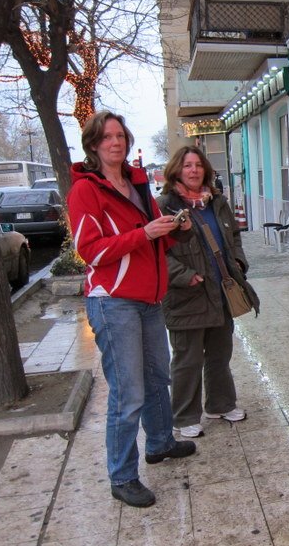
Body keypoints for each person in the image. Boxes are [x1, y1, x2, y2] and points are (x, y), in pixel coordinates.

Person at [67, 111, 197, 508]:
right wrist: (144, 233)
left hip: (149, 299)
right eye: (107, 137)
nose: (115, 142)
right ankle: (122, 476)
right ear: (93, 145)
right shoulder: (86, 190)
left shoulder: (137, 183)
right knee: (128, 393)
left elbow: (155, 240)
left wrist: (175, 229)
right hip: (113, 302)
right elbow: (89, 251)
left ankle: (159, 442)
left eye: (120, 136)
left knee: (157, 377)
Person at [157, 146, 259, 439]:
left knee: (220, 354)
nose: (194, 170)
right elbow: (157, 252)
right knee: (187, 359)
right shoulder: (164, 206)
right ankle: (183, 416)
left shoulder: (217, 202)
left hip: (220, 291)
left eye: (198, 165)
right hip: (187, 294)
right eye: (187, 165)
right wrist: (185, 276)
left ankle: (220, 404)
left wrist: (238, 261)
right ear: (176, 170)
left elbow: (234, 236)